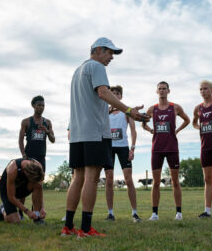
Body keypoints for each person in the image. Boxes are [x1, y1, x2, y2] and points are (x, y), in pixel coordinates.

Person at [62, 37, 148, 238]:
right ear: (98, 50)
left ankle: (68, 227)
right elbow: (102, 92)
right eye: (110, 53)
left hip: (77, 133)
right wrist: (128, 110)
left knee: (78, 178)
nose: (111, 58)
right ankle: (85, 229)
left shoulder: (77, 71)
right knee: (91, 178)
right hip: (95, 133)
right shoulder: (97, 67)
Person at [142, 81, 190, 221]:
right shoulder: (152, 109)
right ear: (156, 92)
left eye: (164, 89)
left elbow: (187, 120)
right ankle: (155, 214)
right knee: (156, 182)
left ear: (168, 91)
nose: (162, 91)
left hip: (172, 148)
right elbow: (143, 123)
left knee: (175, 181)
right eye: (160, 89)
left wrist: (177, 130)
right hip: (156, 148)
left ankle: (179, 213)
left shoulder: (175, 107)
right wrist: (151, 130)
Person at [104, 85, 141, 223]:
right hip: (108, 148)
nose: (115, 95)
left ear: (121, 96)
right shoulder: (104, 111)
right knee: (108, 180)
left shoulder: (126, 112)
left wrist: (132, 148)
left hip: (123, 148)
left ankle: (135, 213)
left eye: (117, 93)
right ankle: (110, 213)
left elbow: (133, 131)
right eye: (112, 93)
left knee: (128, 179)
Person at [192, 80, 212, 218]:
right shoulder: (198, 108)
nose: (203, 91)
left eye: (205, 88)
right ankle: (207, 211)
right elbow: (194, 123)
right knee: (208, 179)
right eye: (200, 89)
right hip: (205, 146)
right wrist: (200, 127)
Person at [0, 158, 46, 224]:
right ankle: (3, 209)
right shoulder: (12, 169)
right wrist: (27, 211)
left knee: (37, 184)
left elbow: (40, 188)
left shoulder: (38, 166)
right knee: (15, 221)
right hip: (7, 190)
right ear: (25, 173)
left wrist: (42, 208)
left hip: (22, 186)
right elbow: (11, 197)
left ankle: (37, 217)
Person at [19, 95, 55, 174]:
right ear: (33, 106)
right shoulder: (26, 122)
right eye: (39, 105)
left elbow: (53, 140)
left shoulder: (47, 122)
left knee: (40, 180)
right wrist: (23, 155)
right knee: (28, 181)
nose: (41, 107)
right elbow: (20, 140)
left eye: (43, 106)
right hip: (29, 156)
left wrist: (47, 132)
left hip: (41, 156)